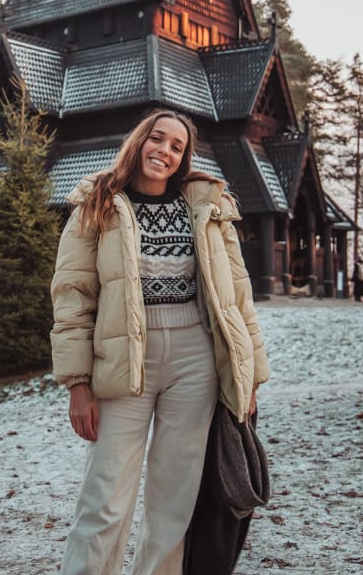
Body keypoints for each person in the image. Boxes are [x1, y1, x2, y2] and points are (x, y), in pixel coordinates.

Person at [50, 109, 270, 575]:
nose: (165, 152)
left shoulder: (207, 205)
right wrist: (77, 383)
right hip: (125, 361)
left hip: (196, 360)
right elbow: (72, 296)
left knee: (174, 502)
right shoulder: (98, 201)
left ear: (184, 158)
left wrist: (249, 375)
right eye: (158, 139)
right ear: (138, 141)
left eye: (177, 147)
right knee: (105, 500)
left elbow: (237, 295)